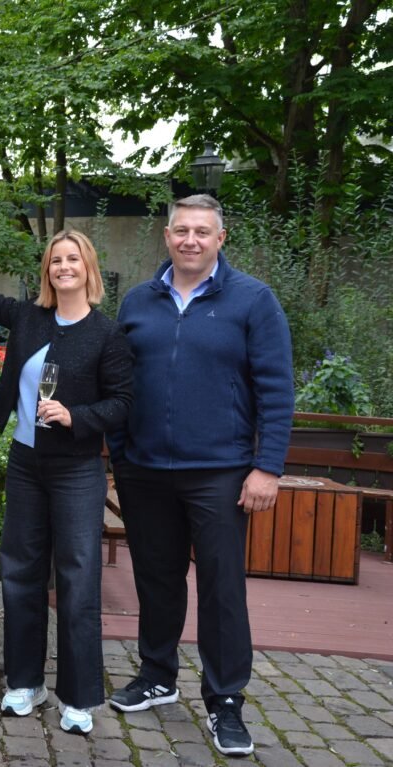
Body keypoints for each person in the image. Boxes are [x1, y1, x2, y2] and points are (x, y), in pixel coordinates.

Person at [107, 194, 294, 758]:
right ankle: (158, 674)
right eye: (181, 230)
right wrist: (120, 454)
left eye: (202, 231)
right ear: (166, 236)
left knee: (221, 588)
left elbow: (276, 390)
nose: (191, 240)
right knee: (156, 580)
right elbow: (118, 383)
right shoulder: (138, 302)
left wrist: (268, 467)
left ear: (220, 238)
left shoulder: (253, 301)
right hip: (143, 470)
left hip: (220, 471)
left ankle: (225, 700)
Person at [0, 195, 133, 735]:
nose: (64, 266)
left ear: (88, 269)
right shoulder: (30, 317)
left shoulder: (107, 333)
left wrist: (74, 415)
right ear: (48, 271)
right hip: (27, 464)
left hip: (77, 469)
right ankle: (24, 683)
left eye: (73, 259)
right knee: (21, 575)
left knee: (77, 581)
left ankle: (79, 696)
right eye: (56, 260)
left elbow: (123, 403)